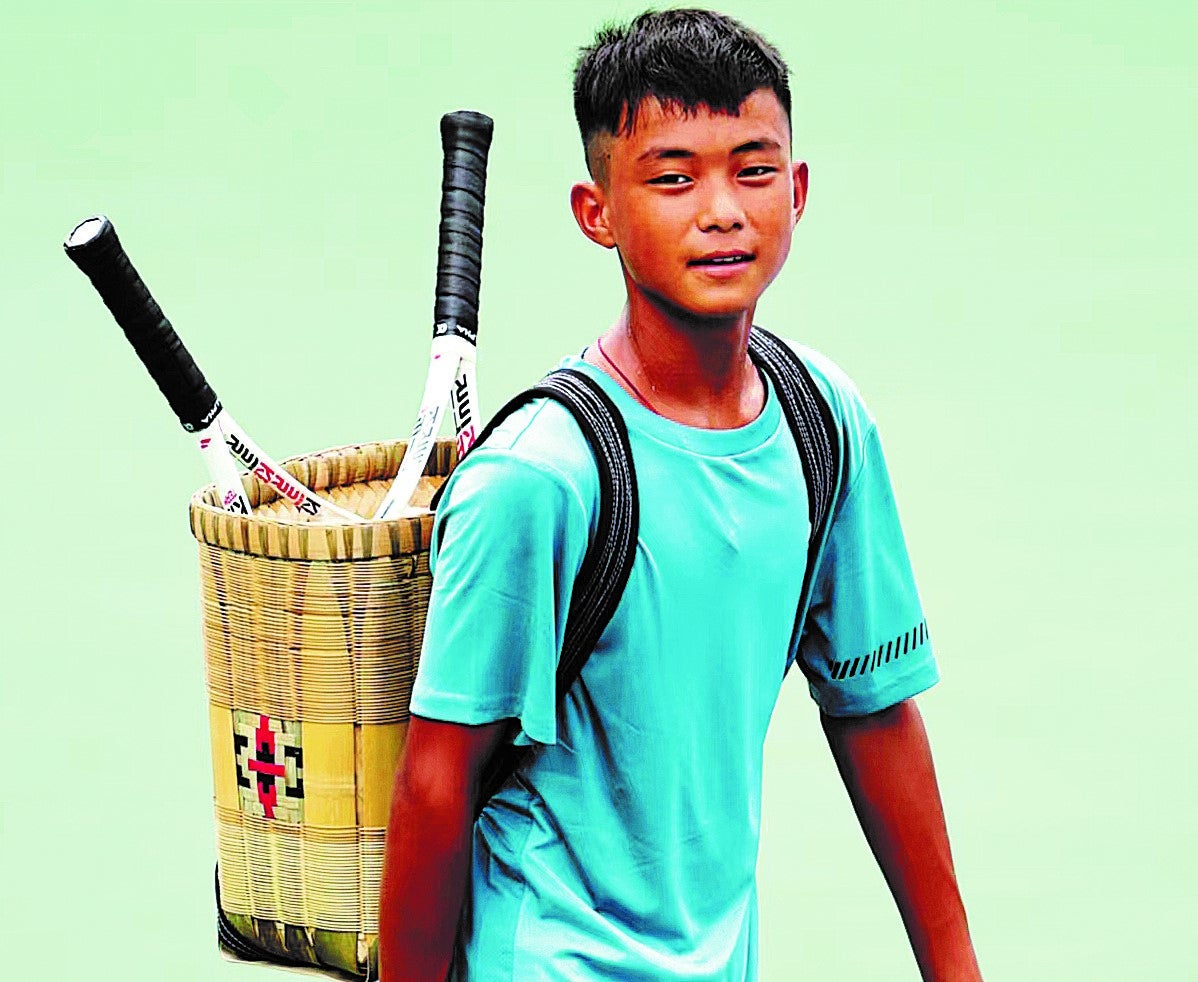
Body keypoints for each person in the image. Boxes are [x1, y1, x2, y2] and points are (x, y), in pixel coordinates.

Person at [380, 9, 981, 981]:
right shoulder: (538, 478)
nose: (720, 210)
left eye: (751, 169)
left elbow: (872, 710)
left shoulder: (824, 422)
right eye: (672, 177)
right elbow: (436, 785)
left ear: (796, 190)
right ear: (596, 211)